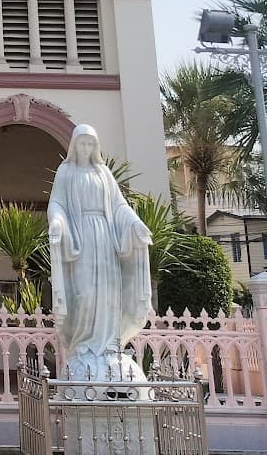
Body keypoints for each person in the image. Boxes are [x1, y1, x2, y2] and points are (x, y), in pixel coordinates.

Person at [46, 123, 152, 382]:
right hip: (81, 239)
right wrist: (57, 223)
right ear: (74, 146)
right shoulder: (66, 171)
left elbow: (119, 206)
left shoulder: (103, 173)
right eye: (82, 143)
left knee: (108, 293)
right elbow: (56, 203)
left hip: (104, 238)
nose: (86, 147)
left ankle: (107, 346)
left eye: (90, 143)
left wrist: (136, 224)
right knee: (84, 293)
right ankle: (83, 345)